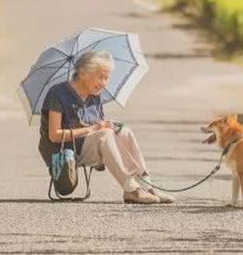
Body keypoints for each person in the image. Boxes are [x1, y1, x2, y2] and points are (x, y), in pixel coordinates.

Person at [38, 50, 174, 204]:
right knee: (105, 135)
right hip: (63, 151)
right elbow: (54, 135)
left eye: (106, 78)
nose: (104, 83)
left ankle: (146, 186)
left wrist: (108, 125)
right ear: (83, 73)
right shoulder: (57, 93)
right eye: (100, 77)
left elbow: (97, 124)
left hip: (86, 145)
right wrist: (93, 129)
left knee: (124, 132)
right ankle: (131, 190)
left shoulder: (94, 95)